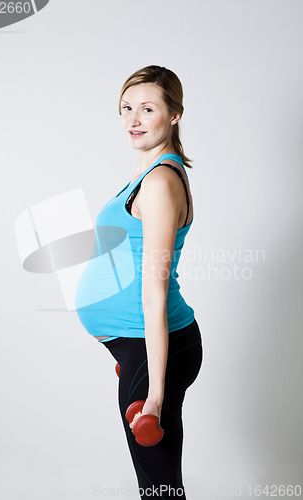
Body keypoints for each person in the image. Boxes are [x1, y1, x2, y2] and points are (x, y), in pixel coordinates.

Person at [75, 65, 203, 499]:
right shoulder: (144, 178)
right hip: (135, 346)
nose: (133, 119)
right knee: (157, 481)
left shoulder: (160, 182)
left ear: (173, 116)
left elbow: (154, 290)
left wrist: (156, 393)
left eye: (147, 109)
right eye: (126, 108)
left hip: (152, 343)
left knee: (159, 484)